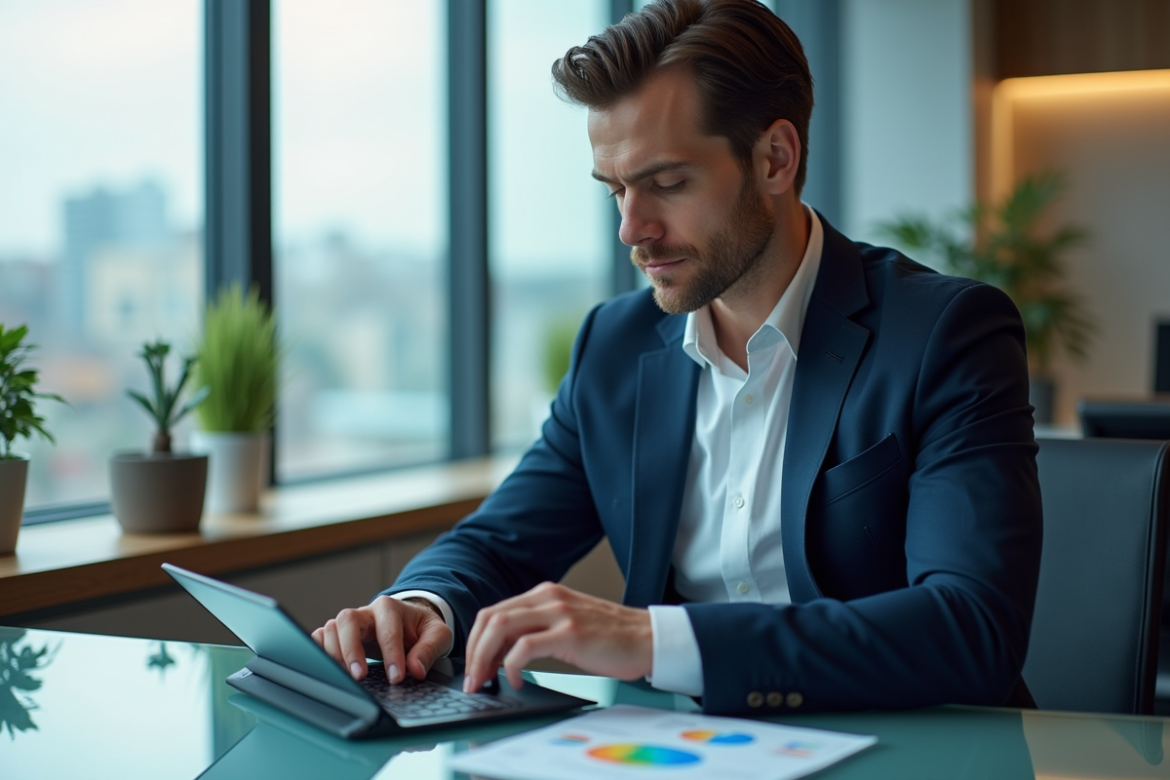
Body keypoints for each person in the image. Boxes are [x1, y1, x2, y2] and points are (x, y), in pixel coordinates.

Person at [312, 0, 1042, 715]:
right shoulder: (614, 346)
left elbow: (971, 629)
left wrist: (655, 640)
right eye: (616, 191)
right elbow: (500, 542)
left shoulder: (944, 333)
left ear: (775, 158)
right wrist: (420, 605)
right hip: (683, 753)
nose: (632, 230)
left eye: (667, 184)